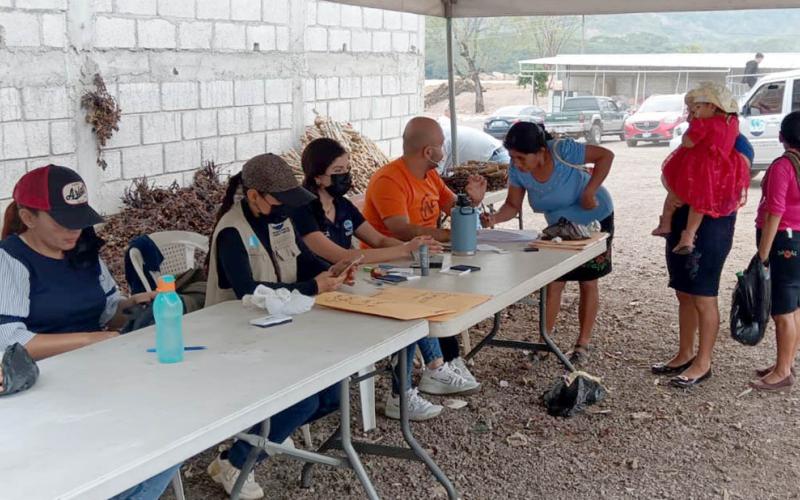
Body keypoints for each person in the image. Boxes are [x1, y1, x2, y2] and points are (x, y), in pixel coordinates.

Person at [0, 165, 179, 500]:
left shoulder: (84, 253)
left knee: (175, 433)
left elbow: (108, 310)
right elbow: (9, 339)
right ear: (27, 217)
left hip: (98, 371)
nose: (75, 230)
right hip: (42, 386)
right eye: (63, 221)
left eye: (80, 219)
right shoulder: (10, 260)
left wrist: (136, 304)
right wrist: (90, 339)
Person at [294, 137, 475, 421]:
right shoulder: (303, 212)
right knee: (399, 314)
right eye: (338, 171)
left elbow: (377, 238)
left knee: (411, 304)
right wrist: (404, 248)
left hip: (349, 283)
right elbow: (340, 256)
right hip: (316, 292)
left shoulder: (342, 206)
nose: (346, 176)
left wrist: (414, 250)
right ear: (317, 177)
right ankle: (408, 389)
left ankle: (431, 371)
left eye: (348, 168)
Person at [204, 153, 350, 500]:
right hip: (235, 337)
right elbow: (248, 292)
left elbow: (303, 263)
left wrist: (333, 271)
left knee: (332, 393)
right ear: (253, 195)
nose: (286, 209)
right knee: (301, 400)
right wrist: (314, 287)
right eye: (279, 201)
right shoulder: (231, 231)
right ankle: (238, 462)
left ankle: (247, 447)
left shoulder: (277, 222)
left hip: (280, 329)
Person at [362, 116, 487, 388]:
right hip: (388, 263)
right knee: (421, 299)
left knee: (449, 291)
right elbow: (400, 229)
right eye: (442, 145)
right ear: (429, 152)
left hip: (424, 257)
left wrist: (471, 202)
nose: (444, 151)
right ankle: (430, 372)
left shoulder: (429, 175)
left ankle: (447, 362)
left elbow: (454, 207)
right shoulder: (389, 179)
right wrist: (451, 235)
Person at [481, 122, 615, 366]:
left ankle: (582, 344)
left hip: (594, 217)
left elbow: (606, 156)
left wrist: (589, 191)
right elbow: (512, 206)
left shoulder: (563, 150)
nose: (517, 163)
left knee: (588, 281)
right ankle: (546, 340)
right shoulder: (518, 169)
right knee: (554, 281)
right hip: (559, 227)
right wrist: (494, 219)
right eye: (513, 157)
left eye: (521, 157)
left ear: (541, 150)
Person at [652, 100, 755, 389]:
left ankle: (703, 361)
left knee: (703, 293)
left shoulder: (738, 142)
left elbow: (736, 185)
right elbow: (671, 171)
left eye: (698, 106)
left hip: (713, 224)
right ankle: (684, 352)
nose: (693, 112)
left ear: (718, 108)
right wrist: (676, 192)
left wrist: (695, 193)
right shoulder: (694, 134)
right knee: (683, 291)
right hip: (682, 216)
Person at [652, 83, 750, 255]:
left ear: (712, 106)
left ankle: (668, 224)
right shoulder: (732, 123)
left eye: (696, 108)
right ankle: (686, 234)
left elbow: (688, 142)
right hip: (722, 173)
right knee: (698, 203)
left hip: (699, 170)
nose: (693, 114)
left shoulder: (704, 124)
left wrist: (694, 128)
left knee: (683, 195)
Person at [752, 111, 800, 391]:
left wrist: (763, 254)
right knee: (794, 306)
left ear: (782, 137)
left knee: (782, 309)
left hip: (785, 240)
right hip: (797, 238)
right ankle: (786, 361)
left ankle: (782, 371)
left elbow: (774, 213)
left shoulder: (784, 166)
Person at [438, 107, 510, 173]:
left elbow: (436, 173)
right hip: (493, 155)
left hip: (494, 158)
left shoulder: (439, 139)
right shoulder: (441, 134)